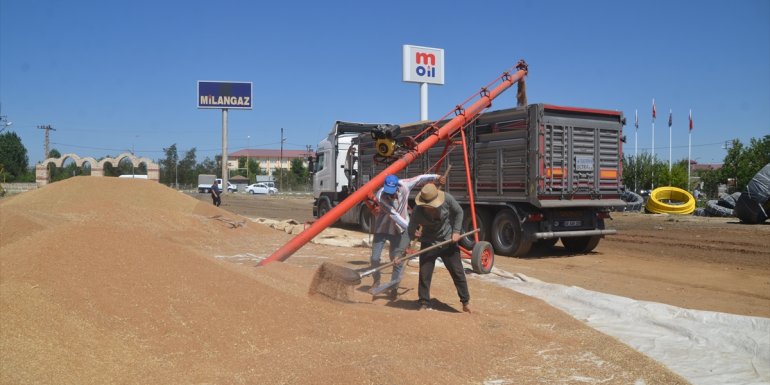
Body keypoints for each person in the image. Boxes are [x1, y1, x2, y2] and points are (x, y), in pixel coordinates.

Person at [369, 173, 443, 299]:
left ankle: (394, 288)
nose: (390, 194)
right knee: (375, 258)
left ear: (397, 186)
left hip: (398, 231)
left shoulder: (404, 185)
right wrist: (411, 229)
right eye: (388, 191)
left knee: (397, 260)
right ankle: (376, 280)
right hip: (382, 228)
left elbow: (419, 178)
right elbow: (394, 215)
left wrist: (436, 177)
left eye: (392, 191)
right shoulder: (381, 195)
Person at [407, 183, 471, 313]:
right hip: (429, 243)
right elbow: (410, 231)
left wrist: (456, 231)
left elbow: (459, 212)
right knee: (425, 274)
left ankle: (466, 302)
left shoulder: (447, 199)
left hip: (448, 242)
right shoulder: (418, 211)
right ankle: (424, 302)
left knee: (458, 272)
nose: (430, 208)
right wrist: (400, 252)